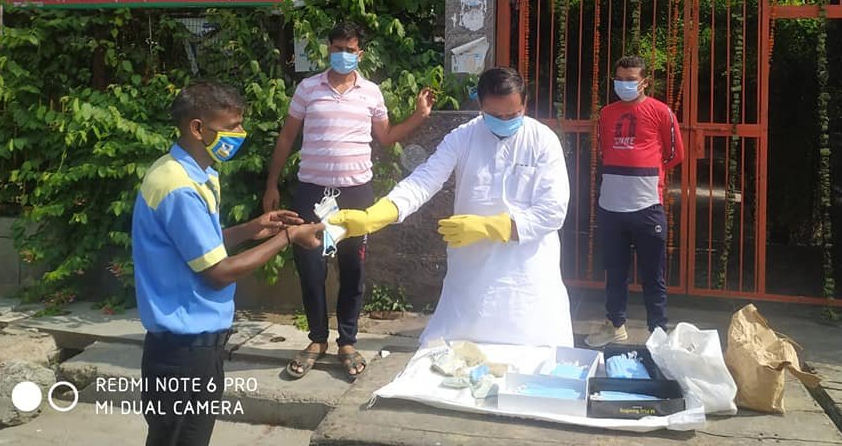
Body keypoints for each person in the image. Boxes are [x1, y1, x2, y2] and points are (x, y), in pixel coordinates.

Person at [133, 81, 324, 446]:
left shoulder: (191, 172)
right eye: (231, 126)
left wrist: (253, 229)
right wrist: (287, 238)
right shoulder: (179, 187)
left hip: (198, 348)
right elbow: (217, 273)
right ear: (197, 128)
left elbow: (197, 245)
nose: (239, 134)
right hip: (181, 352)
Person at [331, 66, 574, 348]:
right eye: (496, 116)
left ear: (525, 105)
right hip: (472, 274)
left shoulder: (543, 141)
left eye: (513, 115)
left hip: (526, 275)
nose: (506, 121)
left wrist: (491, 226)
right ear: (481, 107)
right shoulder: (463, 136)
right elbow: (424, 180)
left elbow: (553, 210)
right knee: (458, 362)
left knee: (531, 364)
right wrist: (376, 216)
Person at [263, 23, 434, 380]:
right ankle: (317, 339)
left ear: (360, 53)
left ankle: (347, 342)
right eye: (336, 47)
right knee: (311, 269)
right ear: (328, 49)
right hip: (311, 192)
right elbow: (286, 138)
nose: (342, 53)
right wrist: (271, 184)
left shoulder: (371, 93)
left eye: (349, 48)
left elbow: (385, 138)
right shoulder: (308, 89)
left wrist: (418, 116)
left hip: (356, 194)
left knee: (352, 269)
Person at [584, 55, 684, 347]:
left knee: (654, 276)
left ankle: (658, 334)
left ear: (644, 82)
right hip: (611, 207)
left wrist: (648, 171)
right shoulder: (606, 113)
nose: (624, 84)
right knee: (614, 272)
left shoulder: (661, 112)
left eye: (630, 80)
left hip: (646, 207)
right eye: (620, 79)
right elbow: (604, 150)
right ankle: (615, 325)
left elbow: (674, 153)